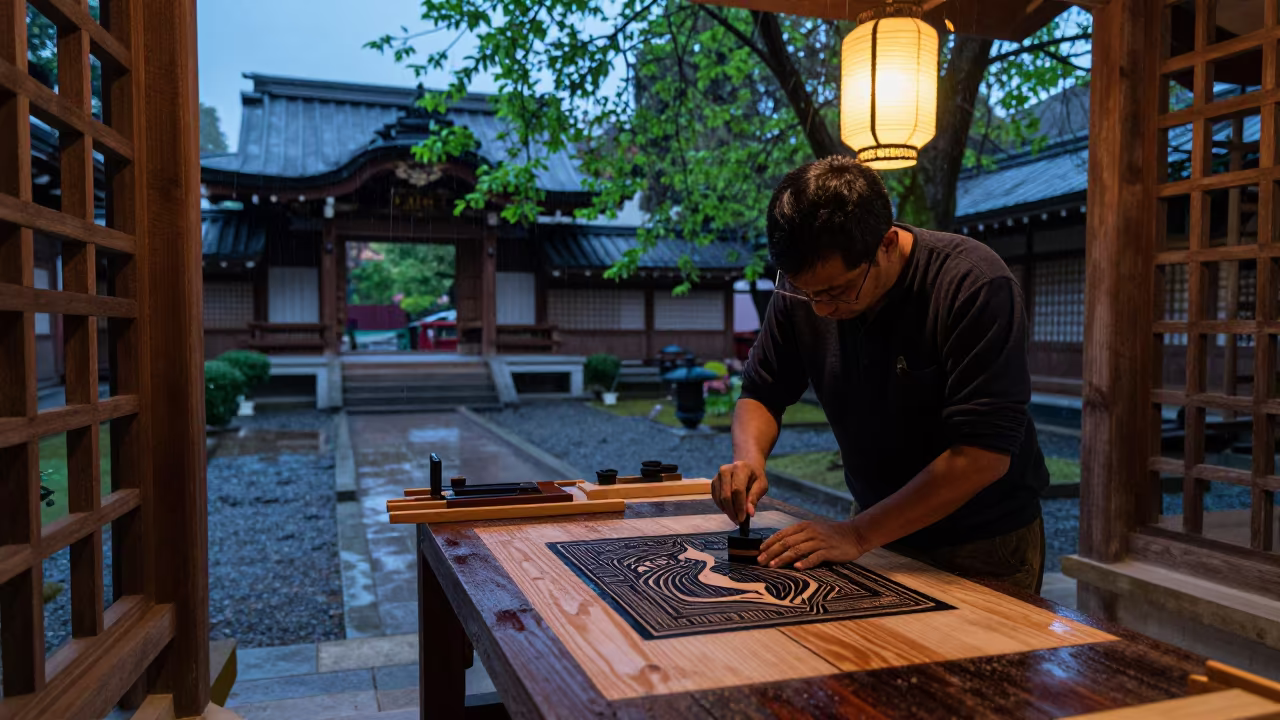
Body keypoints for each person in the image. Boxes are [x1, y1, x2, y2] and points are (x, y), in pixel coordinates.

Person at [713, 156, 1049, 593]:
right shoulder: (806, 291)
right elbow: (762, 390)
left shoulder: (973, 284)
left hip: (982, 538)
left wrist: (856, 534)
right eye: (805, 292)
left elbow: (982, 455)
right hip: (874, 522)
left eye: (835, 292)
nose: (819, 308)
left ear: (886, 244)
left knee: (976, 662)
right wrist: (748, 461)